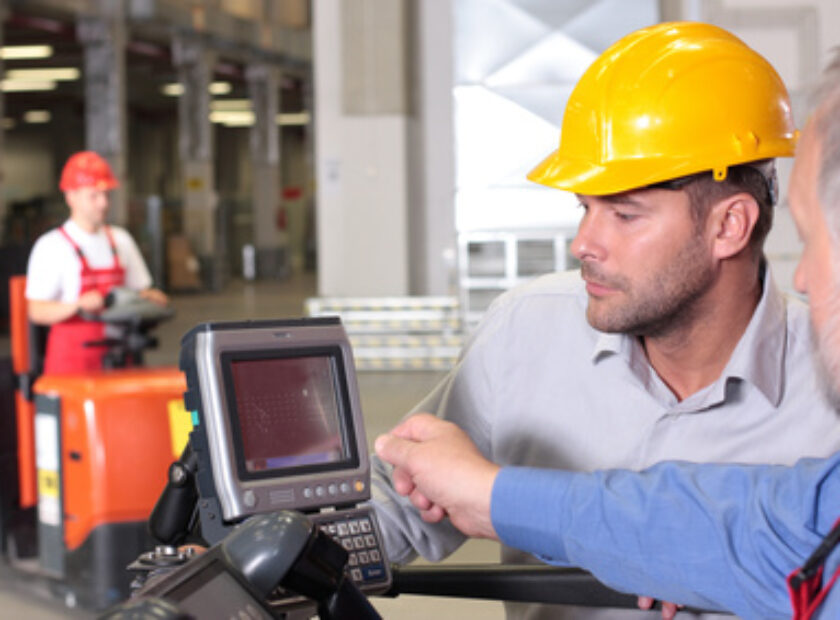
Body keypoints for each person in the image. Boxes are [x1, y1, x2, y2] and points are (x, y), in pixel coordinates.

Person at [370, 21, 840, 620]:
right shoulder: (525, 331)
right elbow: (403, 503)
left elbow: (769, 535)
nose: (583, 243)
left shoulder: (826, 385)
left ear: (729, 226)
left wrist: (698, 568)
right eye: (584, 208)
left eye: (624, 214)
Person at [25, 150, 168, 374]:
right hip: (72, 369)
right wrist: (77, 305)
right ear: (71, 196)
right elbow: (36, 311)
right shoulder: (52, 246)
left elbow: (141, 291)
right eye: (94, 196)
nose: (103, 203)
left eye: (106, 195)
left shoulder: (121, 240)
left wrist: (151, 298)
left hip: (121, 361)